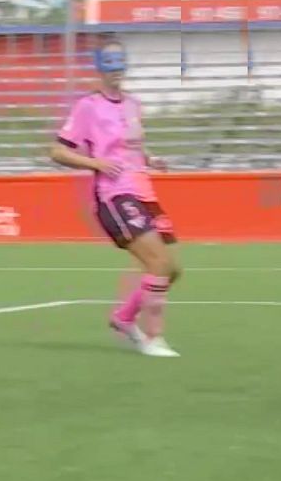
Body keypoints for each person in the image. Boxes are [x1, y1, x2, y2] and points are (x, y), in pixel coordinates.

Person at [51, 39, 182, 358]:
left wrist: (150, 158)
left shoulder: (134, 104)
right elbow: (57, 151)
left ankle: (123, 318)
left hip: (143, 189)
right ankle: (154, 337)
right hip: (115, 194)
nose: (115, 70)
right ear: (98, 67)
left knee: (172, 269)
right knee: (158, 262)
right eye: (108, 64)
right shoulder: (88, 106)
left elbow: (130, 147)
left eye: (119, 63)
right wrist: (96, 163)